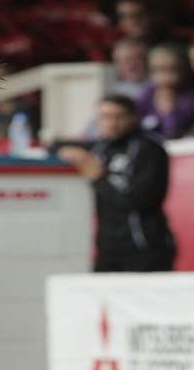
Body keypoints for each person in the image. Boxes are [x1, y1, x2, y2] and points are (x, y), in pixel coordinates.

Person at [58, 95, 176, 272]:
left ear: (133, 117)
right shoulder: (101, 147)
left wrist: (98, 177)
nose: (111, 122)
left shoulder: (149, 150)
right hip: (107, 249)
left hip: (144, 248)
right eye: (104, 117)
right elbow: (56, 144)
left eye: (118, 116)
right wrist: (64, 150)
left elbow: (139, 199)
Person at [139, 43, 194, 140]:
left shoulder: (193, 94)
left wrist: (168, 112)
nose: (165, 75)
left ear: (182, 69)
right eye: (158, 69)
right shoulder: (149, 92)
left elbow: (173, 132)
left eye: (172, 69)